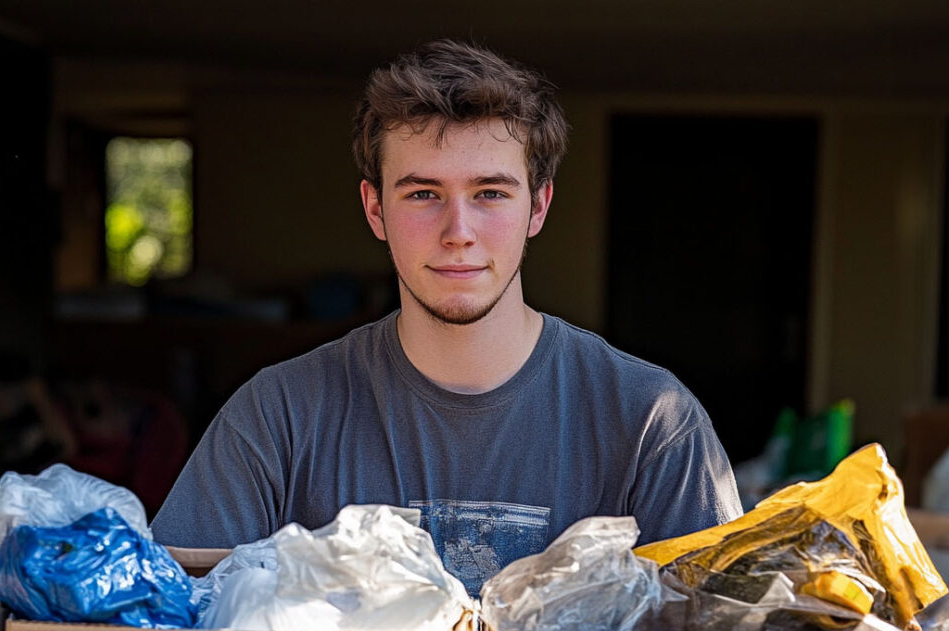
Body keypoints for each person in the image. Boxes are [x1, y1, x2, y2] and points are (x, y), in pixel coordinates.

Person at [148, 39, 741, 595]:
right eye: (423, 194)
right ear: (375, 209)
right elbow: (162, 629)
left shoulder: (651, 421)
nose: (458, 232)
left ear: (538, 205)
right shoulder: (279, 416)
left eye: (490, 193)